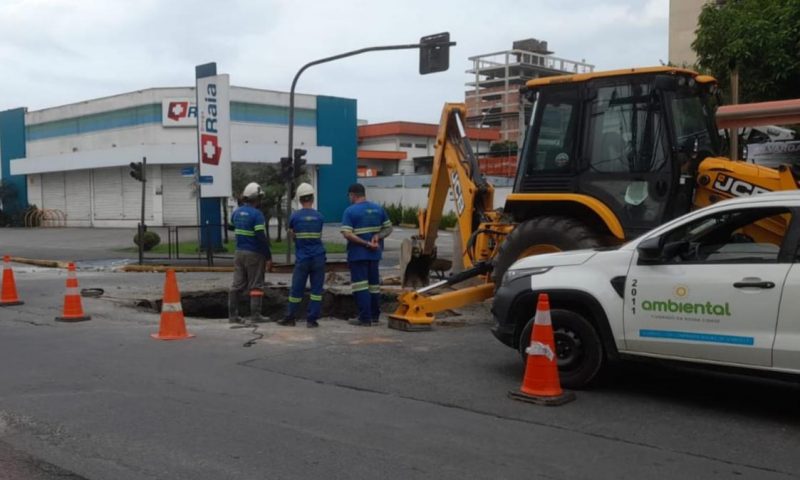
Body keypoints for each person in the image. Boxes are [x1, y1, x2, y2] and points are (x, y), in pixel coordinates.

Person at [340, 183, 392, 326]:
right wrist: (378, 236)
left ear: (352, 195)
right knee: (374, 286)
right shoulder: (378, 209)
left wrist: (365, 243)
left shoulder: (350, 211)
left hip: (358, 255)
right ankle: (375, 316)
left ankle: (364, 318)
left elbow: (347, 233)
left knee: (360, 286)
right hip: (374, 255)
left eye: (349, 196)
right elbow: (388, 228)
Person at [278, 183, 325, 328]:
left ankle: (290, 318)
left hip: (303, 258)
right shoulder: (319, 217)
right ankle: (312, 320)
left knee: (297, 289)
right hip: (318, 257)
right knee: (316, 290)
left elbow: (292, 233)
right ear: (312, 197)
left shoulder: (295, 216)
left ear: (299, 199)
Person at [229, 182, 272, 326]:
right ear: (256, 198)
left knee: (237, 285)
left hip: (239, 252)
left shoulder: (236, 212)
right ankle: (255, 315)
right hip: (254, 253)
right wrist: (268, 256)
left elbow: (231, 226)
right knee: (256, 285)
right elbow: (260, 235)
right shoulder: (257, 214)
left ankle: (233, 316)